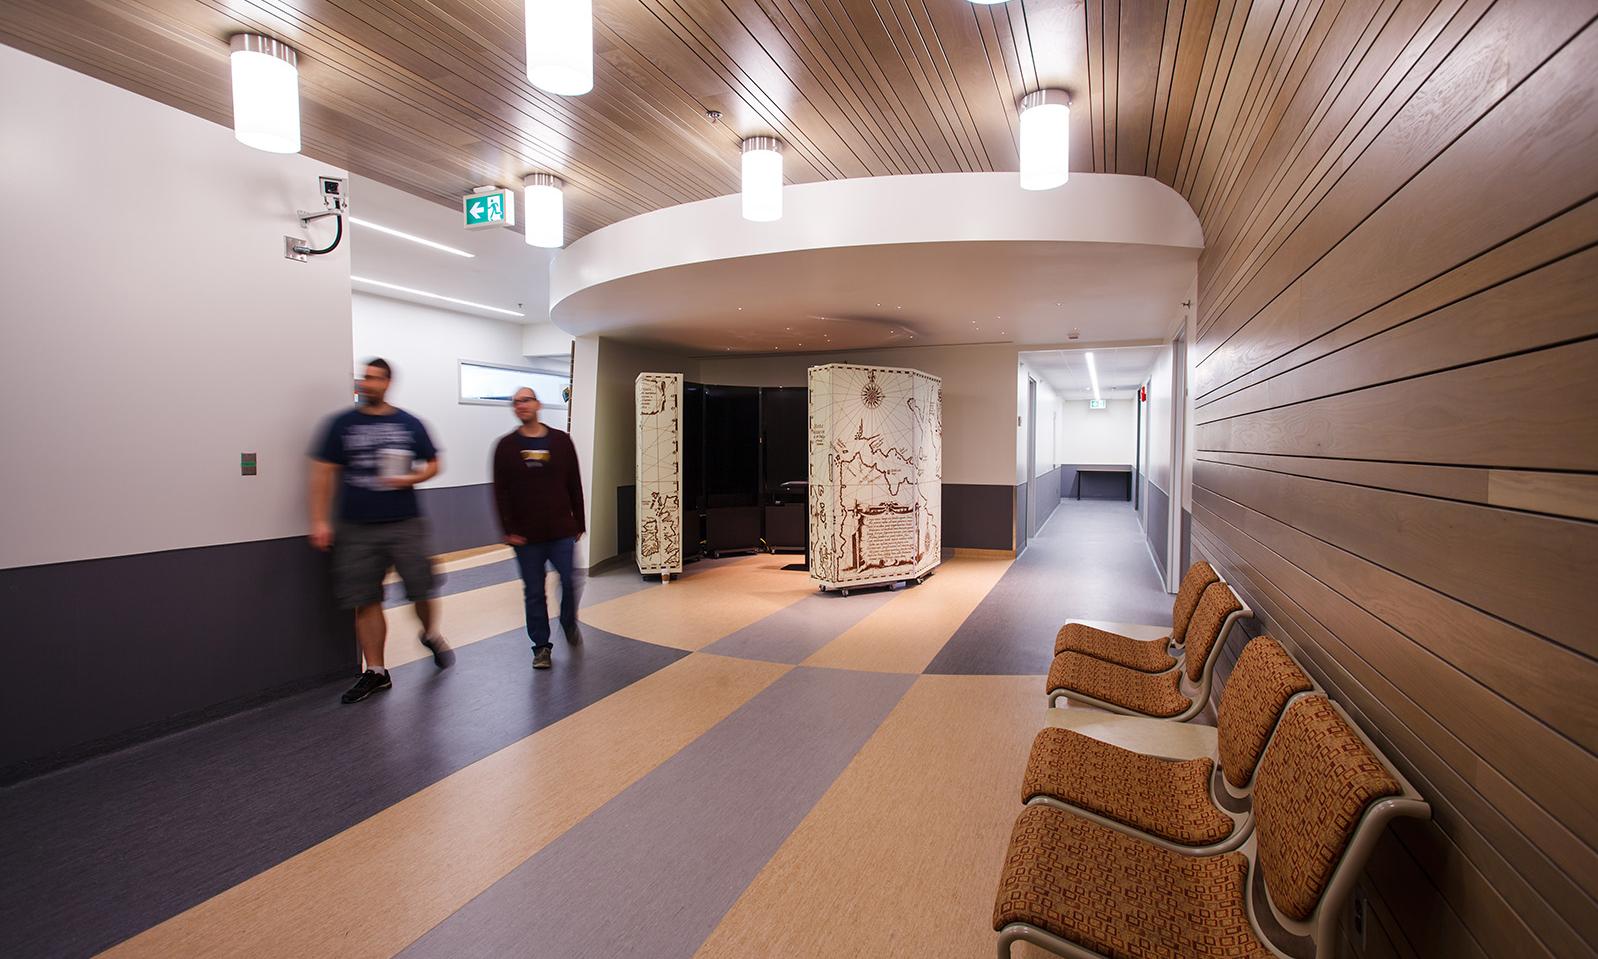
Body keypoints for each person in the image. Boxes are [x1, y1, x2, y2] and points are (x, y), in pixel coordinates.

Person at [309, 358, 454, 703]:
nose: (367, 383)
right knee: (365, 599)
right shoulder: (341, 425)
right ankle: (376, 671)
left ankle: (429, 633)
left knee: (422, 590)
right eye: (364, 378)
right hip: (356, 528)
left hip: (405, 524)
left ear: (388, 383)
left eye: (374, 379)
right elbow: (322, 472)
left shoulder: (410, 424)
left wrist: (412, 478)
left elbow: (434, 463)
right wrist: (319, 520)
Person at [493, 386, 585, 669]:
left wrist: (579, 522)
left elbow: (574, 484)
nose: (521, 405)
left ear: (538, 404)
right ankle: (541, 647)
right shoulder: (506, 446)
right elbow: (501, 492)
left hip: (560, 530)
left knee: (570, 582)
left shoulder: (560, 442)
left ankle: (568, 622)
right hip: (526, 535)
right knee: (534, 592)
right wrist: (508, 529)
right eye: (516, 402)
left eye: (526, 400)